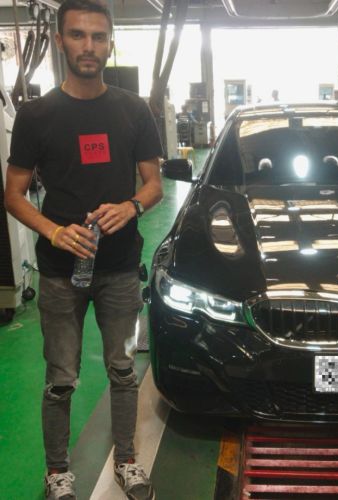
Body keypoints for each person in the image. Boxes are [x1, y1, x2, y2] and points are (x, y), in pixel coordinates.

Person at [3, 1, 163, 499]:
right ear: (59, 41)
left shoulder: (133, 109)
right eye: (77, 35)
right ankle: (57, 472)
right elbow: (13, 194)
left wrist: (131, 207)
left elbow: (154, 184)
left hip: (119, 269)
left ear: (110, 43)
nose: (88, 46)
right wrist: (53, 232)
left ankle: (128, 461)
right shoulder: (36, 115)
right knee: (61, 378)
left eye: (98, 36)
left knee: (123, 370)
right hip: (58, 272)